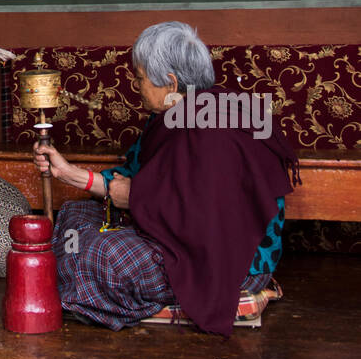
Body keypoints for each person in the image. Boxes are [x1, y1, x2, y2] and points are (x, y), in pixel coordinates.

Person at [35, 22, 298, 336]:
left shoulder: (217, 128)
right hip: (177, 233)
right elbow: (133, 176)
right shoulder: (170, 118)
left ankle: (117, 298)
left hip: (231, 261)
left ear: (171, 83)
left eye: (141, 78)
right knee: (75, 215)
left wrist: (134, 198)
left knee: (96, 253)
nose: (137, 86)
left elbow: (210, 218)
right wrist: (70, 173)